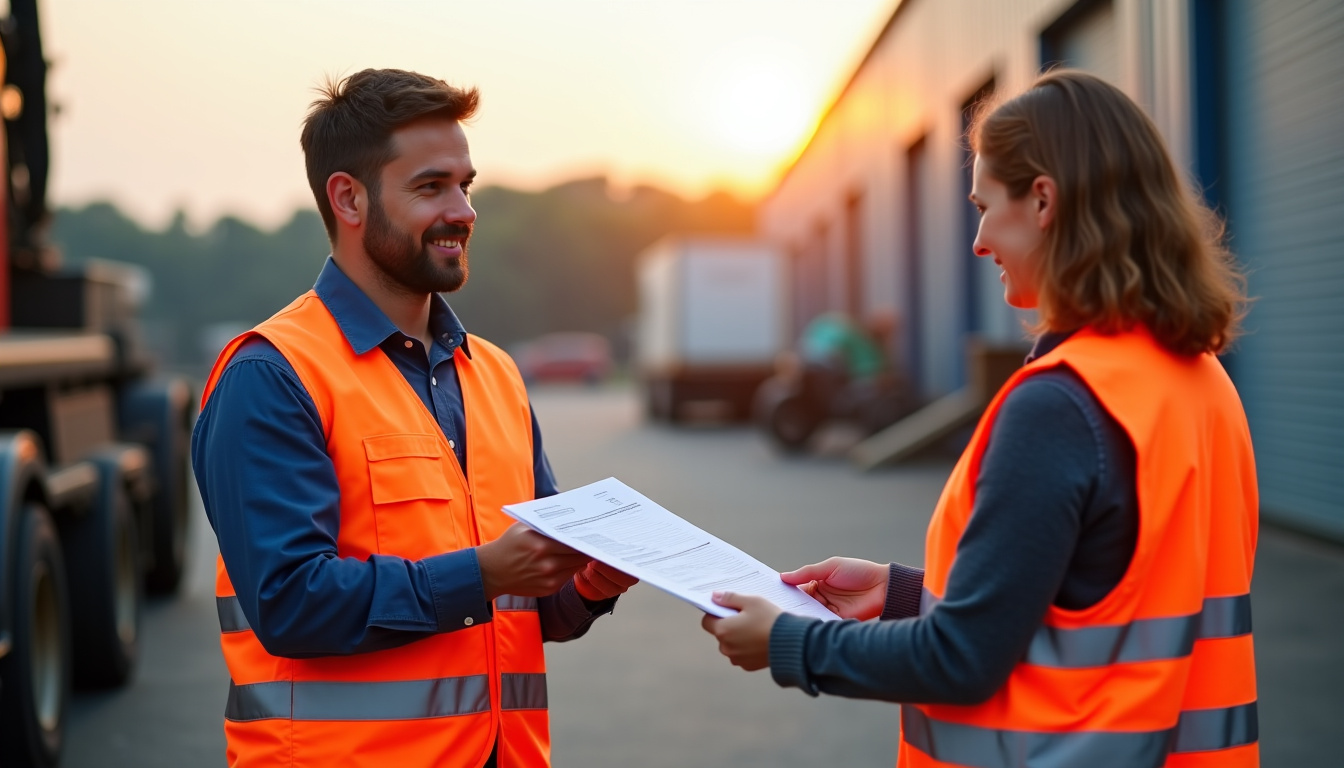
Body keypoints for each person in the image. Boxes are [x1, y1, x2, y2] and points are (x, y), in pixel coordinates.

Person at [702, 69, 1259, 767]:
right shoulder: (1199, 380)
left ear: (1044, 201)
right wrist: (904, 593)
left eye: (986, 206)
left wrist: (789, 642)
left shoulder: (1059, 405)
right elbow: (1100, 594)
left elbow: (962, 658)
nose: (979, 241)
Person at [192, 69, 637, 768]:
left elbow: (529, 603)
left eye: (467, 184)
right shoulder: (272, 375)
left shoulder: (493, 374)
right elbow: (289, 603)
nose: (462, 210)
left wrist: (588, 584)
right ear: (349, 199)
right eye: (432, 187)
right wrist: (483, 574)